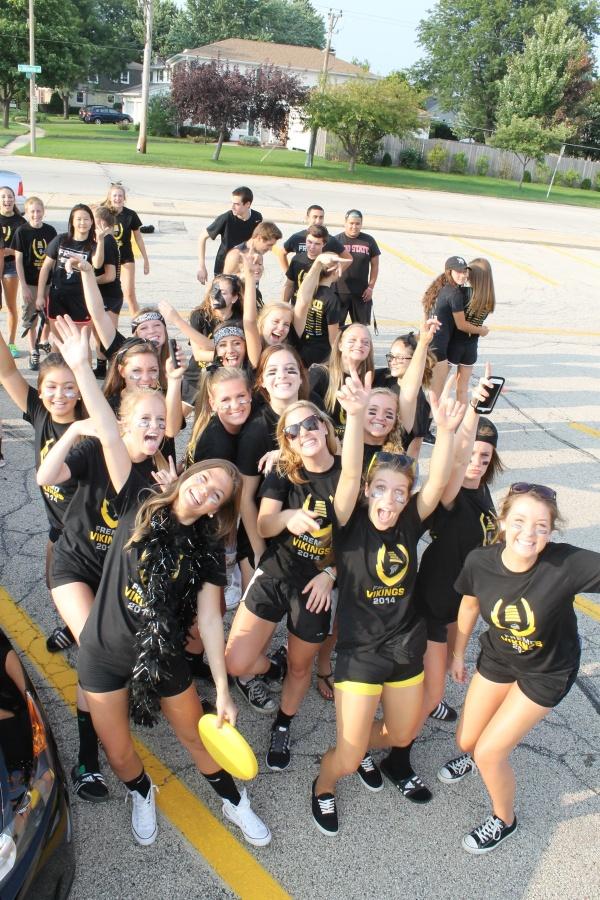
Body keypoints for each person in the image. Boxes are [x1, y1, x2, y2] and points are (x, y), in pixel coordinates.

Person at [50, 318, 270, 849]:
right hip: (103, 651)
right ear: (186, 476)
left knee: (196, 737)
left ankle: (232, 800)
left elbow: (213, 624)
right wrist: (81, 367)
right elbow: (107, 429)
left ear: (219, 509)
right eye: (204, 480)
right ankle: (141, 791)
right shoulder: (138, 499)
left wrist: (219, 687)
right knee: (120, 750)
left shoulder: (210, 554)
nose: (207, 492)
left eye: (218, 494)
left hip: (164, 652)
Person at [311, 377, 465, 835]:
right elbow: (352, 472)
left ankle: (357, 745)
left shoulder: (410, 521)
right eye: (381, 489)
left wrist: (446, 430)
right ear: (366, 491)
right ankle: (323, 784)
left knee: (400, 735)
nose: (390, 500)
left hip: (404, 648)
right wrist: (356, 416)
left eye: (400, 492)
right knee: (349, 754)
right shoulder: (348, 521)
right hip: (359, 652)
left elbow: (436, 481)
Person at [438, 483, 600, 854]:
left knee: (490, 752)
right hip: (499, 657)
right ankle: (474, 756)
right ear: (503, 521)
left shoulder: (565, 564)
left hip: (547, 671)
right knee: (467, 741)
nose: (529, 533)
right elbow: (468, 606)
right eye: (521, 521)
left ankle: (504, 820)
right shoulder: (480, 561)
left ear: (551, 531)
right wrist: (457, 654)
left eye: (541, 526)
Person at [226, 370, 372, 773]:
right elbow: (264, 526)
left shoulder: (346, 472)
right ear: (286, 440)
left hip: (317, 582)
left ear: (324, 427)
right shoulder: (282, 471)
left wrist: (331, 576)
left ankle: (284, 723)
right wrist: (288, 515)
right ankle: (269, 666)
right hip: (277, 569)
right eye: (293, 430)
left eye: (311, 422)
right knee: (236, 662)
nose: (304, 431)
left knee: (301, 666)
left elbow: (348, 516)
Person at [0, 329, 83, 653]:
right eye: (51, 386)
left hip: (90, 532)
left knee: (89, 590)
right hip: (58, 529)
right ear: (41, 389)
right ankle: (72, 626)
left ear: (80, 391)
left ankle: (81, 631)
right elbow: (7, 370)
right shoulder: (39, 412)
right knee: (55, 582)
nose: (59, 395)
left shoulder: (89, 422)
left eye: (68, 387)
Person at [423, 256, 489, 401]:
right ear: (449, 272)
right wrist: (482, 330)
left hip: (430, 343)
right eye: (458, 272)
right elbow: (462, 325)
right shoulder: (455, 293)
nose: (463, 275)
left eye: (465, 271)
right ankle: (424, 422)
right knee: (434, 395)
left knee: (429, 391)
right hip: (438, 349)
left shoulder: (439, 287)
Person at [36, 204, 101, 329]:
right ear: (72, 221)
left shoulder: (94, 246)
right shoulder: (61, 239)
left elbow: (97, 264)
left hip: (81, 297)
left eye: (86, 219)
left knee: (82, 339)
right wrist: (40, 296)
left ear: (92, 221)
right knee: (59, 339)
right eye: (78, 219)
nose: (83, 222)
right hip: (58, 295)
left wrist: (101, 241)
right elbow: (45, 268)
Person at [374, 331, 437, 461]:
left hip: (394, 461)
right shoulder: (381, 376)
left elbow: (415, 448)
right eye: (391, 356)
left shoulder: (418, 403)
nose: (393, 362)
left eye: (400, 358)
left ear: (416, 361)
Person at [13, 196, 57, 370]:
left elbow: (54, 258)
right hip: (30, 282)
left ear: (43, 212)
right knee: (31, 318)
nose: (36, 214)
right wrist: (23, 285)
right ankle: (33, 351)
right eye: (32, 211)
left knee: (49, 317)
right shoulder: (21, 232)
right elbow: (18, 261)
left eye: (39, 211)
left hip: (48, 283)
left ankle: (44, 340)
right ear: (27, 212)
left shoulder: (50, 231)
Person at [446, 258, 495, 406]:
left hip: (453, 343)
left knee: (441, 386)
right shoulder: (488, 299)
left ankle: (430, 419)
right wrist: (481, 330)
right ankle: (461, 421)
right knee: (462, 389)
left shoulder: (462, 293)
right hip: (471, 346)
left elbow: (459, 322)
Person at [292, 253, 349, 367]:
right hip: (321, 352)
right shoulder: (332, 299)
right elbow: (333, 338)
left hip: (302, 347)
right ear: (335, 271)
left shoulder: (308, 293)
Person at [101, 183, 149, 316]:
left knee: (129, 293)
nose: (117, 198)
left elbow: (138, 238)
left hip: (126, 257)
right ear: (110, 197)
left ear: (124, 198)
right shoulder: (104, 213)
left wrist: (145, 259)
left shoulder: (130, 215)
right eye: (115, 196)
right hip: (108, 258)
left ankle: (138, 326)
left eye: (120, 196)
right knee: (106, 293)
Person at [197, 187, 262, 282]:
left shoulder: (257, 218)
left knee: (250, 296)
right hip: (224, 269)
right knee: (221, 296)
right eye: (232, 203)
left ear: (247, 204)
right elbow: (202, 237)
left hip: (246, 269)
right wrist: (201, 267)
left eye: (236, 204)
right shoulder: (226, 218)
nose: (232, 207)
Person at [334, 210, 380, 326]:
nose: (354, 227)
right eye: (351, 223)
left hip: (361, 293)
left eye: (357, 223)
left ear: (361, 224)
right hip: (338, 292)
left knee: (360, 328)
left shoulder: (368, 241)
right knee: (336, 329)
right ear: (345, 223)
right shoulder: (336, 241)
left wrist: (370, 287)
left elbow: (375, 265)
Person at [274, 205, 350, 273]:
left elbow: (348, 258)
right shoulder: (297, 237)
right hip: (300, 283)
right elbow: (282, 253)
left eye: (321, 217)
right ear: (307, 218)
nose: (318, 221)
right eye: (315, 217)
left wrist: (334, 274)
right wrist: (288, 274)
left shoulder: (330, 239)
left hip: (321, 284)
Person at [0, 185, 27, 356]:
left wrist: (8, 251)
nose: (7, 200)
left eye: (10, 197)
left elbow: (20, 249)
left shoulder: (20, 222)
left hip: (11, 266)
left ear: (14, 199)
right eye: (3, 197)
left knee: (11, 306)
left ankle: (11, 343)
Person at [282, 224, 331, 304]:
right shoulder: (296, 259)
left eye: (317, 244)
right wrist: (284, 305)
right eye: (309, 242)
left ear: (324, 244)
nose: (312, 247)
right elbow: (289, 285)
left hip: (318, 310)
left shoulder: (327, 263)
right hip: (297, 307)